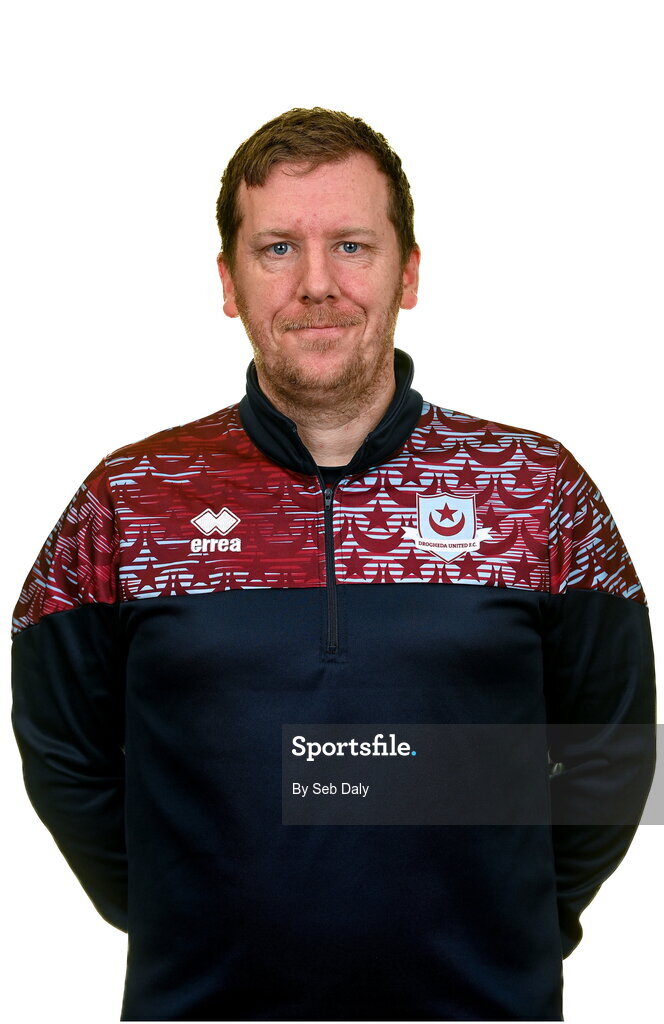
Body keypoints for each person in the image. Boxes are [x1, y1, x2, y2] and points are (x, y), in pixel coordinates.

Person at [11, 106, 656, 1022]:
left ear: (409, 272)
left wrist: (511, 922)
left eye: (351, 246)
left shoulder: (537, 490)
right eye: (277, 249)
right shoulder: (131, 499)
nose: (316, 284)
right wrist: (179, 911)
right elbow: (62, 752)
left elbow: (611, 752)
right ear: (229, 281)